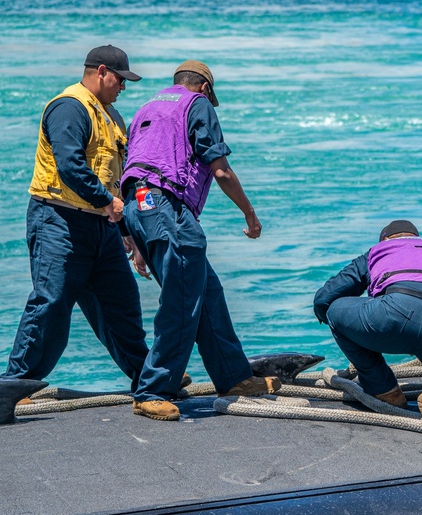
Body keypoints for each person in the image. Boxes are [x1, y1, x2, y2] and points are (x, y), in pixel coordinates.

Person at [121, 60, 278, 421]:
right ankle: (152, 390)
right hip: (166, 209)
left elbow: (130, 171)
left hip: (139, 206)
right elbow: (219, 168)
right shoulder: (197, 104)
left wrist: (135, 238)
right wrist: (249, 213)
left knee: (206, 292)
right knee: (182, 300)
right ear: (204, 88)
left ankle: (234, 378)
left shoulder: (147, 108)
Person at [4, 45, 149, 395]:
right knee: (52, 304)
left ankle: (149, 376)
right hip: (58, 222)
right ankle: (14, 386)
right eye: (120, 79)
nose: (123, 87)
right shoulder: (69, 107)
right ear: (100, 71)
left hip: (102, 227)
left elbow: (118, 179)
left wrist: (128, 230)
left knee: (122, 304)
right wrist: (107, 203)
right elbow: (70, 166)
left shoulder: (111, 116)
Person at [314, 220, 422, 447]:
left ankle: (384, 389)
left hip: (395, 316)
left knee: (336, 311)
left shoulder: (379, 251)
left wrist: (334, 319)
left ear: (385, 239)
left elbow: (325, 298)